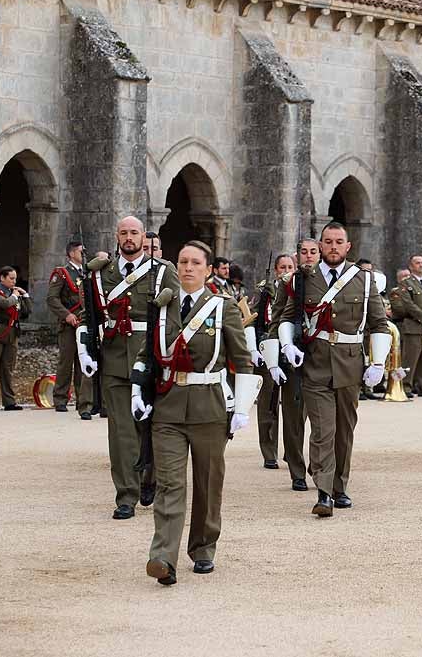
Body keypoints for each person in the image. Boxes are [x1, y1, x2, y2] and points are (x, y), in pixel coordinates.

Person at [134, 240, 260, 586]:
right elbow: (148, 353)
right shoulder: (162, 306)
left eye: (195, 263)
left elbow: (242, 359)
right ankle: (163, 556)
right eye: (182, 262)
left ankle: (203, 547)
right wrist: (137, 389)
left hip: (210, 407)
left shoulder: (223, 307)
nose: (188, 268)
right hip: (169, 407)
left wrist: (242, 407)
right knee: (169, 484)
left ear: (207, 270)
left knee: (207, 483)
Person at [271, 222, 389, 516]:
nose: (333, 247)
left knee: (344, 430)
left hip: (350, 363)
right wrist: (288, 346)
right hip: (316, 363)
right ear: (320, 246)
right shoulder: (302, 280)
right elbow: (287, 316)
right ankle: (323, 493)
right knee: (323, 429)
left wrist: (377, 363)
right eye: (328, 242)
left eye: (339, 242)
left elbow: (379, 323)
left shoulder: (363, 280)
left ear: (348, 247)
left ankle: (340, 487)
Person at [77, 216, 180, 520]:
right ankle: (126, 495)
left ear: (144, 237)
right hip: (114, 358)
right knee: (121, 431)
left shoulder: (163, 272)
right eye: (124, 233)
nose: (129, 238)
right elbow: (90, 314)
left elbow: (175, 316)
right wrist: (85, 348)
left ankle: (152, 479)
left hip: (151, 358)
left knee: (153, 425)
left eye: (134, 232)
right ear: (117, 236)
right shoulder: (100, 274)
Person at [260, 239, 319, 491]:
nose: (308, 256)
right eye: (304, 252)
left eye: (313, 252)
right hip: (291, 354)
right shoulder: (288, 283)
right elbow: (277, 319)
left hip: (320, 356)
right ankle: (297, 470)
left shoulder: (331, 282)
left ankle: (319, 464)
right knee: (293, 418)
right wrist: (274, 357)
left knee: (320, 416)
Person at [253, 254, 294, 471]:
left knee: (294, 406)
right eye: (282, 267)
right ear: (276, 270)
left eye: (290, 266)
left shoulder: (300, 288)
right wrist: (254, 349)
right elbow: (252, 320)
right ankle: (269, 451)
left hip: (292, 351)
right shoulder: (264, 291)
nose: (286, 270)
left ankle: (292, 450)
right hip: (268, 348)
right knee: (268, 403)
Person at [47, 241, 92, 416]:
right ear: (72, 253)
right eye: (81, 252)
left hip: (84, 322)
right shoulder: (63, 273)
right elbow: (52, 298)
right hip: (68, 324)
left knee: (84, 362)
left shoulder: (86, 273)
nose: (84, 254)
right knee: (66, 362)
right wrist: (66, 315)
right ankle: (60, 398)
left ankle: (83, 400)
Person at [0, 266, 32, 412]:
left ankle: (9, 401)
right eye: (11, 278)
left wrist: (25, 295)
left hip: (11, 334)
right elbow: (4, 303)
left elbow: (27, 311)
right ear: (2, 278)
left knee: (8, 369)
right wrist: (15, 296)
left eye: (15, 278)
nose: (14, 281)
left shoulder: (14, 293)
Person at [391, 254, 422, 398]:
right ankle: (403, 385)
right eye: (417, 263)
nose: (421, 265)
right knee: (409, 360)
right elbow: (408, 304)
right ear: (411, 266)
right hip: (414, 325)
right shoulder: (406, 283)